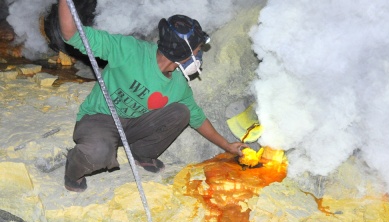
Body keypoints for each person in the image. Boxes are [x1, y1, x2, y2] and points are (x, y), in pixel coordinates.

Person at [58, 0, 248, 192]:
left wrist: (227, 146)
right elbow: (72, 34)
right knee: (98, 152)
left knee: (181, 112)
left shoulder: (178, 84)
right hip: (100, 118)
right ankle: (74, 168)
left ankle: (141, 153)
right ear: (184, 53)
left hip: (134, 124)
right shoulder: (128, 50)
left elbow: (197, 119)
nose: (199, 55)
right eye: (198, 50)